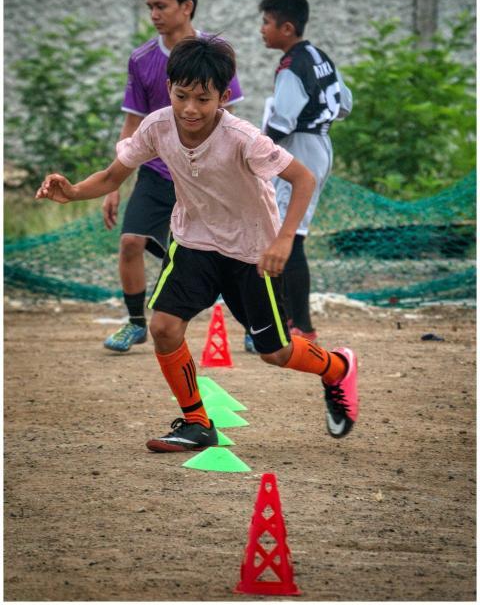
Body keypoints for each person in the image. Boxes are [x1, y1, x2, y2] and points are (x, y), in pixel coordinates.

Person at [36, 36, 359, 449]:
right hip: (194, 242)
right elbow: (113, 176)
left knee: (274, 352)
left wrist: (282, 242)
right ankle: (197, 423)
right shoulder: (156, 126)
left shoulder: (243, 138)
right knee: (164, 327)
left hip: (251, 252)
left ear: (223, 97)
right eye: (181, 95)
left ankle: (336, 367)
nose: (190, 108)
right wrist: (73, 191)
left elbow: (303, 179)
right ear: (169, 88)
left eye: (202, 99)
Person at [102, 0, 244, 353]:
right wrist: (113, 183)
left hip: (205, 176)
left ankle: (254, 320)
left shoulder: (215, 51)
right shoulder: (142, 59)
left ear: (187, 7)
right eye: (149, 7)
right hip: (156, 172)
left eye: (161, 5)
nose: (154, 14)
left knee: (230, 253)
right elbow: (132, 121)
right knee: (131, 241)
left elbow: (233, 119)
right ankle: (135, 323)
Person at [244, 0, 352, 354]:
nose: (262, 30)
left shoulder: (291, 66)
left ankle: (300, 326)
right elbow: (344, 104)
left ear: (286, 28)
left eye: (266, 23)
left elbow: (283, 119)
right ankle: (289, 319)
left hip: (299, 148)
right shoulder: (320, 57)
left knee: (291, 235)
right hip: (320, 143)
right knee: (286, 230)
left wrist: (255, 152)